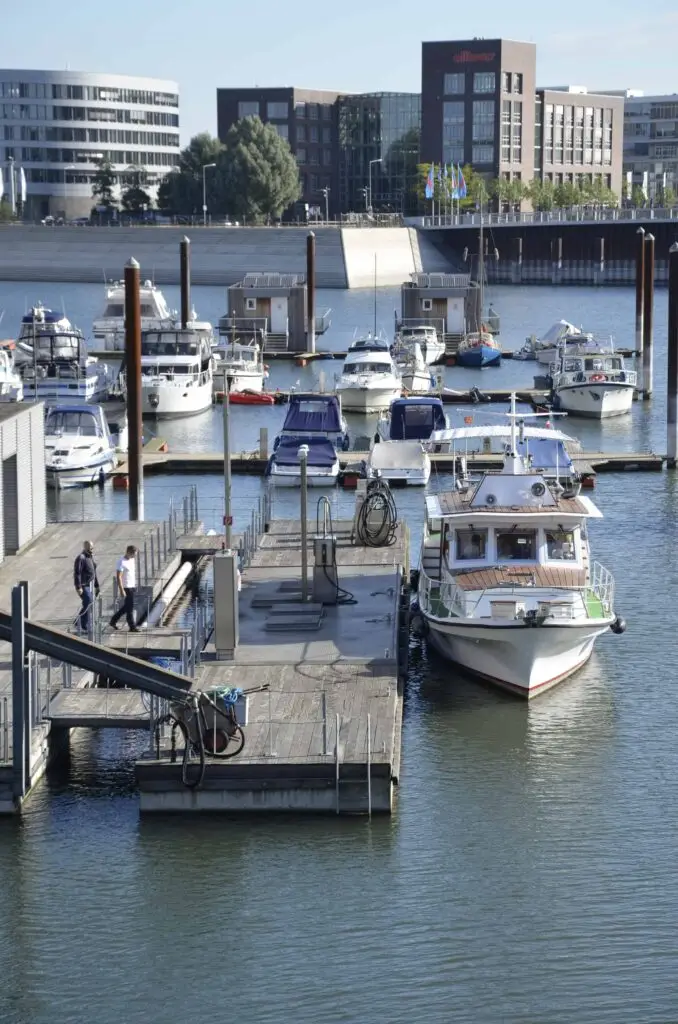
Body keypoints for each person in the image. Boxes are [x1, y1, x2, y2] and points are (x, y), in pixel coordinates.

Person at [109, 544, 139, 632]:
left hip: (132, 586)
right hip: (126, 587)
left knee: (127, 607)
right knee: (130, 608)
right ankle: (132, 627)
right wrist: (121, 589)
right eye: (134, 554)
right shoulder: (121, 562)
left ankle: (113, 620)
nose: (135, 556)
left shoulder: (132, 559)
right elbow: (119, 576)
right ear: (129, 552)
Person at [73, 540, 100, 634]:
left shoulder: (90, 557)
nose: (91, 550)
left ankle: (82, 622)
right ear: (85, 548)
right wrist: (78, 586)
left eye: (92, 548)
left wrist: (97, 585)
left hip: (91, 585)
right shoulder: (81, 558)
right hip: (84, 585)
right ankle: (81, 623)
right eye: (90, 548)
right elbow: (77, 573)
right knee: (88, 601)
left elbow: (94, 572)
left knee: (90, 604)